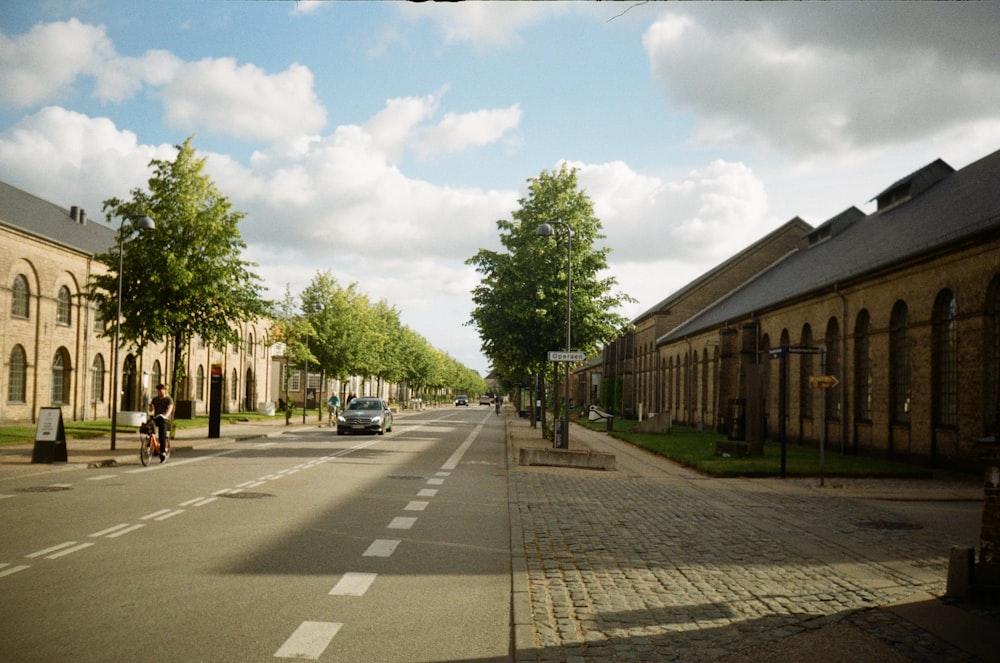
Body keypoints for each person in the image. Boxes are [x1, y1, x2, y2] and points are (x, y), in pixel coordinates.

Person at [148, 383, 174, 462]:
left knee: (162, 433)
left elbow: (170, 408)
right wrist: (151, 408)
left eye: (160, 390)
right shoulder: (155, 399)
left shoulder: (168, 399)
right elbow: (151, 410)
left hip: (165, 419)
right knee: (148, 425)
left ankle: (162, 452)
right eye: (158, 391)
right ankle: (150, 442)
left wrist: (166, 415)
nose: (159, 392)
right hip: (156, 417)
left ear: (165, 390)